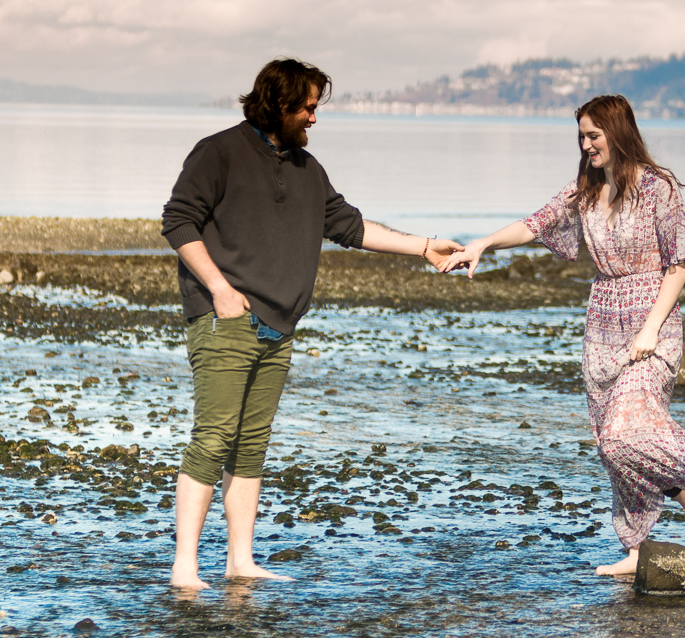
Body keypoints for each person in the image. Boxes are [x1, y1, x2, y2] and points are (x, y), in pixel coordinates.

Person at [161, 58, 462, 588]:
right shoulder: (218, 152)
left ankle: (240, 562)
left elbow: (349, 226)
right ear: (279, 103)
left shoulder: (308, 168)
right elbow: (178, 221)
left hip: (279, 325)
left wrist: (424, 247)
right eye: (307, 107)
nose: (314, 117)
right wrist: (220, 289)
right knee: (213, 437)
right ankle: (185, 567)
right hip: (224, 318)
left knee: (251, 443)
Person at [437, 94, 685, 575]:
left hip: (652, 323)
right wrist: (484, 243)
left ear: (617, 132)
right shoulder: (585, 190)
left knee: (628, 431)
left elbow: (679, 265)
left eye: (593, 135)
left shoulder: (658, 188)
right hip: (602, 326)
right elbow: (535, 224)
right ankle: (637, 549)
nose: (585, 145)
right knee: (609, 444)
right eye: (581, 136)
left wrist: (650, 330)